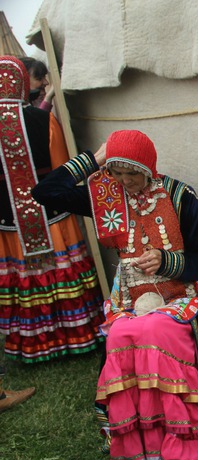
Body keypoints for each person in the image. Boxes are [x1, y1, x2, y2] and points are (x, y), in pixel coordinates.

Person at [32, 129, 198, 460]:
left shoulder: (180, 197)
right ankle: (145, 437)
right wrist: (95, 159)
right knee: (120, 334)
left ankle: (184, 432)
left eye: (133, 172)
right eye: (117, 172)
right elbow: (45, 192)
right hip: (131, 294)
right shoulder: (106, 199)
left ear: (149, 168)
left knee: (158, 330)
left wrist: (166, 261)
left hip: (181, 290)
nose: (125, 181)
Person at [0, 55, 104, 363]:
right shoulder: (43, 119)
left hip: (8, 223)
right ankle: (77, 334)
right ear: (20, 83)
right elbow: (62, 170)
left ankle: (35, 344)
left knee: (24, 277)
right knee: (61, 271)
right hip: (53, 215)